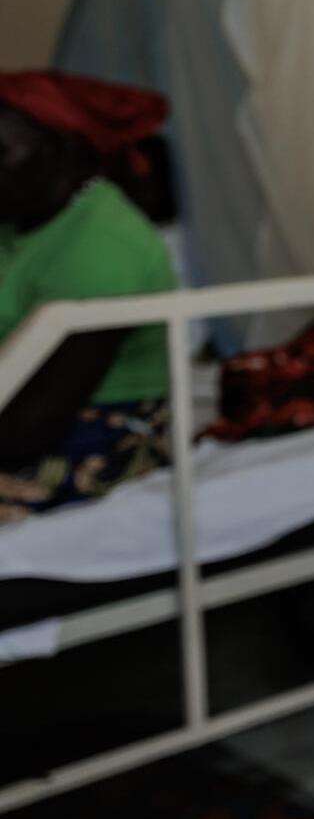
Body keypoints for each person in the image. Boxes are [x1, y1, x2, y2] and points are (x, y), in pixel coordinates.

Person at [0, 70, 177, 522]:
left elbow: (29, 428)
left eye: (2, 152)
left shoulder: (104, 246)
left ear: (66, 150)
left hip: (95, 426)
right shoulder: (17, 217)